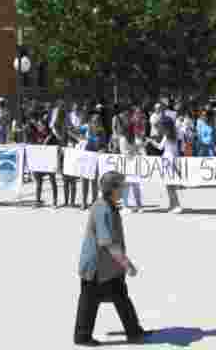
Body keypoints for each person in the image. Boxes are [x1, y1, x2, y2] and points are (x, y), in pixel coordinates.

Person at [74, 171, 151, 347]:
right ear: (113, 189)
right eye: (122, 186)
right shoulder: (102, 208)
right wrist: (127, 263)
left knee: (121, 296)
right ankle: (82, 337)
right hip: (96, 266)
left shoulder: (110, 205)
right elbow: (106, 242)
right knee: (88, 301)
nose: (125, 189)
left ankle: (134, 331)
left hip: (110, 265)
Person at [149, 115, 182, 213]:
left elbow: (160, 147)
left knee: (169, 185)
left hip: (167, 159)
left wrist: (151, 141)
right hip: (171, 159)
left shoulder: (167, 135)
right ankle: (172, 205)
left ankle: (176, 205)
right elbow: (175, 150)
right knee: (169, 184)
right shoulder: (175, 134)